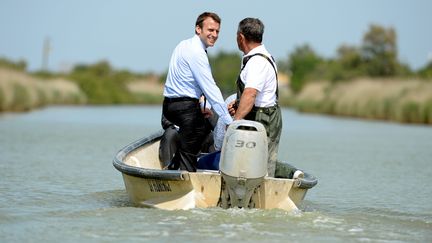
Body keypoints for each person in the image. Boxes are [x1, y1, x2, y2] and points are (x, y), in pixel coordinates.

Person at [162, 12, 233, 172]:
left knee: (201, 127)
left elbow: (185, 83)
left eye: (217, 31)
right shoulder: (197, 52)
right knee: (195, 136)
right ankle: (185, 176)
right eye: (210, 30)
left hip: (169, 106)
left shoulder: (183, 44)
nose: (214, 35)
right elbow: (210, 88)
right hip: (184, 107)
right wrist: (228, 120)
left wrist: (199, 106)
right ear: (198, 29)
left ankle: (174, 164)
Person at [228, 17, 282, 177]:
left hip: (262, 119)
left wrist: (235, 123)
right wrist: (238, 103)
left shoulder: (256, 61)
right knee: (252, 166)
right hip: (262, 115)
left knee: (260, 169)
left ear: (241, 37)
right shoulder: (260, 57)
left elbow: (251, 94)